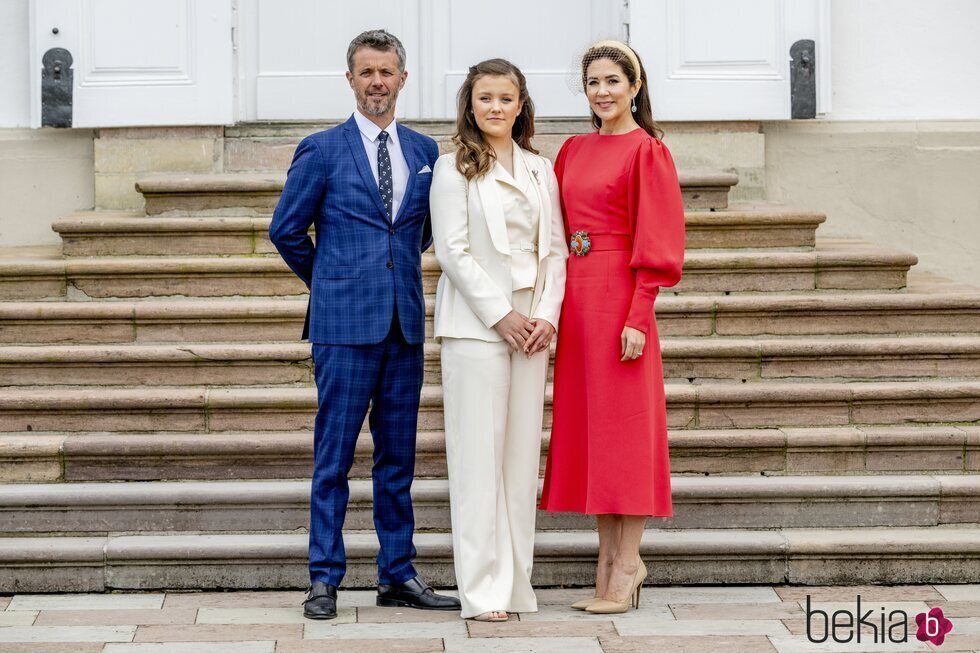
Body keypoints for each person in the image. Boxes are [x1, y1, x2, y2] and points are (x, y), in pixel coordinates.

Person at [269, 29, 460, 621]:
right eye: (366, 72)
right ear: (350, 79)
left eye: (387, 72)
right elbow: (286, 230)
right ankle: (323, 579)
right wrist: (331, 283)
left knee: (397, 459)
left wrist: (390, 272)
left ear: (404, 79)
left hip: (403, 325)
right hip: (343, 328)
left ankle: (397, 575)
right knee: (334, 458)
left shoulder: (427, 153)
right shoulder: (321, 150)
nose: (377, 81)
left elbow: (424, 231)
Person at [539, 40, 685, 614]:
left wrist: (639, 315)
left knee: (626, 434)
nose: (602, 92)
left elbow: (659, 238)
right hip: (576, 297)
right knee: (593, 434)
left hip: (621, 299)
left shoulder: (648, 152)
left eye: (612, 81)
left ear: (635, 86)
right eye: (593, 82)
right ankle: (604, 562)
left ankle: (628, 564)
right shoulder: (572, 149)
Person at [429, 59, 567, 621]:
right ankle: (481, 590)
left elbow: (554, 248)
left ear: (520, 105)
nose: (495, 108)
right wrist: (501, 315)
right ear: (470, 104)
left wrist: (545, 316)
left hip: (531, 333)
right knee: (477, 463)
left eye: (505, 98)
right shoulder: (450, 167)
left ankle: (515, 586)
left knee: (517, 465)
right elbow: (452, 252)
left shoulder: (540, 168)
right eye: (485, 98)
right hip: (475, 330)